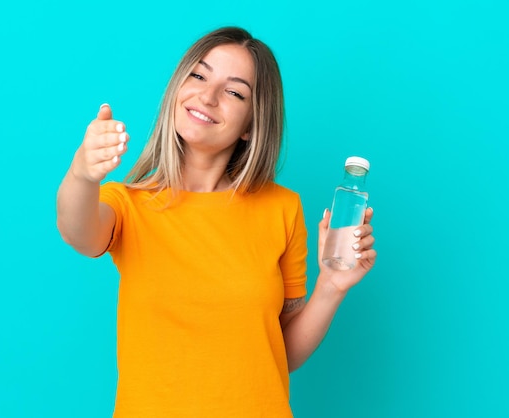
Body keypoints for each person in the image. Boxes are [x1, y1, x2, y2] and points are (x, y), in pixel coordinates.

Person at [56, 26, 376, 417]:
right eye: (199, 75)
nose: (207, 97)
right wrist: (82, 174)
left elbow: (282, 353)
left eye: (234, 91)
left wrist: (331, 285)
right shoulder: (129, 205)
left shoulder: (282, 208)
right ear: (178, 87)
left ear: (250, 126)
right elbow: (77, 231)